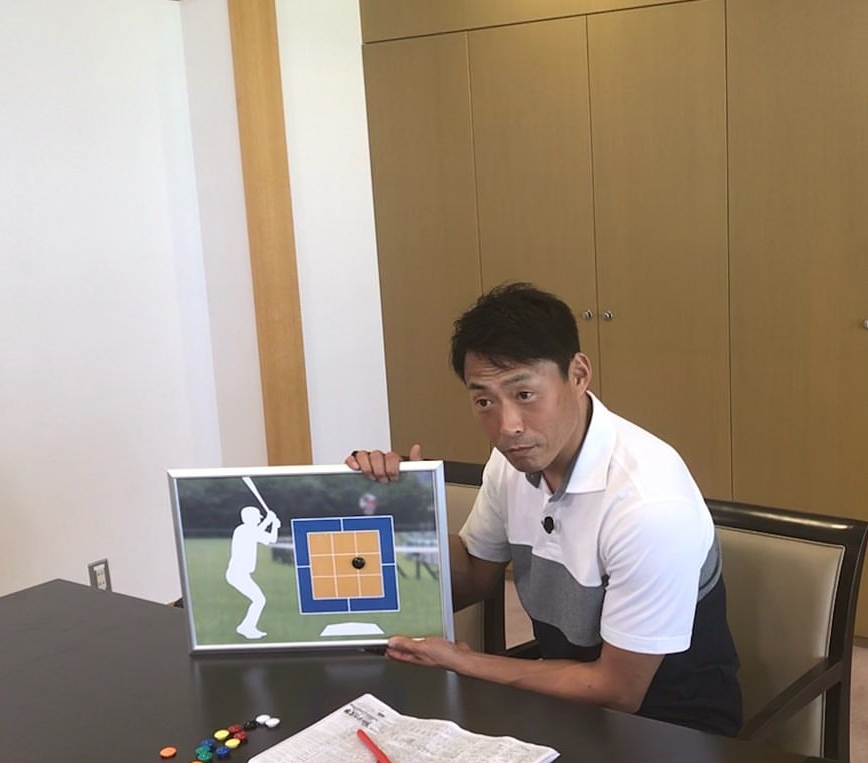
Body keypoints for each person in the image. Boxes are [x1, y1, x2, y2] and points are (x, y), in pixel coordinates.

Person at [347, 282, 742, 735]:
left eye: (525, 395)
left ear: (578, 374)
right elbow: (475, 576)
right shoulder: (512, 462)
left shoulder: (648, 504)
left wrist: (466, 662)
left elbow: (618, 690)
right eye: (484, 401)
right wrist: (403, 515)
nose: (507, 427)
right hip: (565, 707)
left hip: (672, 730)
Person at [226, 504, 280, 639]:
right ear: (251, 518)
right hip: (237, 574)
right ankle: (246, 628)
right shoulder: (246, 530)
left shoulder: (245, 530)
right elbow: (270, 538)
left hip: (240, 574)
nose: (259, 520)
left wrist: (270, 522)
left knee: (259, 600)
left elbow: (260, 534)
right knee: (259, 600)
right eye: (258, 518)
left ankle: (246, 627)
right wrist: (273, 524)